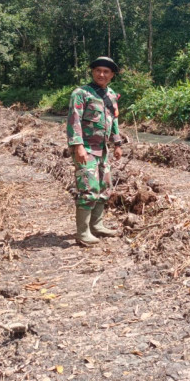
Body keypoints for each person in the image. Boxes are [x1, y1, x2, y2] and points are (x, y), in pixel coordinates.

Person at [66, 56, 124, 246]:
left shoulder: (111, 95)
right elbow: (74, 120)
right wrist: (78, 146)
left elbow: (113, 120)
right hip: (87, 149)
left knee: (104, 188)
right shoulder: (81, 93)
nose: (102, 74)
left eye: (106, 72)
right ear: (92, 72)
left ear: (112, 75)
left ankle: (97, 226)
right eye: (98, 70)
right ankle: (83, 233)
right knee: (88, 189)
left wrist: (117, 144)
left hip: (103, 150)